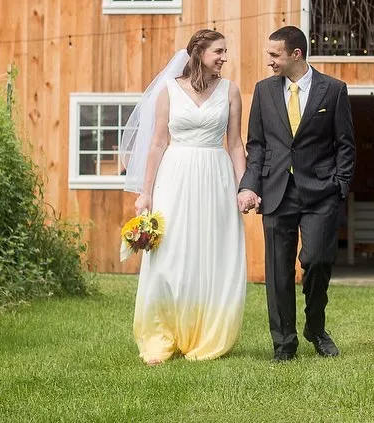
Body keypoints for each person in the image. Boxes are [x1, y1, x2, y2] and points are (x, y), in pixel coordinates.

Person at [121, 29, 247, 365]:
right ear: (198, 52)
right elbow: (157, 143)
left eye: (225, 51)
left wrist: (243, 187)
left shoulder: (231, 91)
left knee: (212, 251)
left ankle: (206, 334)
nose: (224, 58)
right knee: (171, 254)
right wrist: (145, 193)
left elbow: (235, 143)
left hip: (216, 176)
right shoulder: (168, 91)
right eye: (218, 51)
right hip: (174, 177)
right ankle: (162, 334)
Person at [237, 25, 355, 362]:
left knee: (317, 261)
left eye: (275, 55)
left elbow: (345, 144)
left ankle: (315, 329)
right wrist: (249, 184)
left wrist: (339, 185)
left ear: (296, 54)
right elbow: (257, 145)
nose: (269, 61)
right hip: (276, 192)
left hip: (321, 193)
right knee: (278, 271)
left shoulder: (333, 90)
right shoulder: (263, 91)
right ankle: (284, 344)